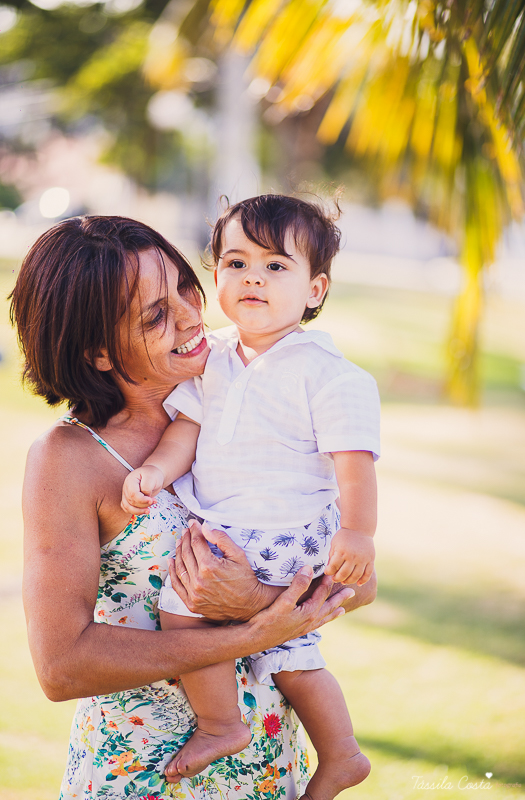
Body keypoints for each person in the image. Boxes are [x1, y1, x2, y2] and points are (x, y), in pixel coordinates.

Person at [10, 214, 376, 800]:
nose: (189, 315)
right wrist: (253, 631)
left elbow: (361, 583)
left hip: (270, 764)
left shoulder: (254, 391)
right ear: (99, 351)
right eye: (155, 314)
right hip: (148, 771)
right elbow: (62, 666)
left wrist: (257, 604)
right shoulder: (69, 458)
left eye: (184, 285)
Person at [121, 195, 380, 800]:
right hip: (243, 528)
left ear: (315, 290)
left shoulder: (326, 372)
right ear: (215, 277)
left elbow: (355, 463)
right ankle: (341, 753)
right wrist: (157, 471)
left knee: (182, 611)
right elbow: (186, 428)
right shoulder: (212, 358)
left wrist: (359, 533)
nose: (253, 278)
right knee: (291, 650)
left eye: (275, 266)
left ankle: (220, 725)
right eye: (236, 263)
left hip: (285, 527)